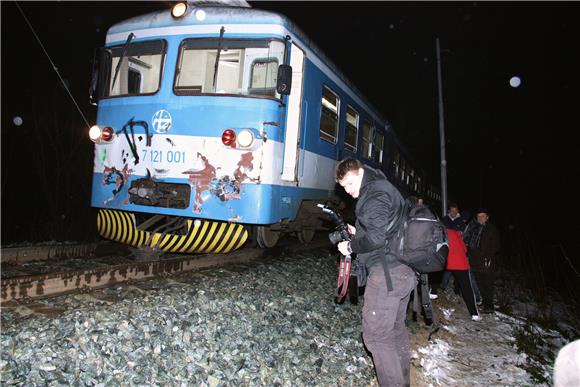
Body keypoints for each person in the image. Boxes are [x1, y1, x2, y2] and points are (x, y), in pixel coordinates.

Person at [335, 157, 415, 387]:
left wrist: (351, 245)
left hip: (387, 274)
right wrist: (357, 230)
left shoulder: (375, 194)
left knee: (376, 336)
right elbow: (383, 228)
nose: (348, 191)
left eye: (350, 183)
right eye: (343, 187)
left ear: (360, 173)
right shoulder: (383, 187)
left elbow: (377, 238)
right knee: (394, 331)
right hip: (402, 271)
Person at [463, 208, 500, 313]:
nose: (480, 218)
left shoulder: (491, 229)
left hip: (486, 262)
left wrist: (486, 256)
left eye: (483, 216)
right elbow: (469, 242)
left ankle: (489, 307)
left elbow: (496, 246)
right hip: (475, 261)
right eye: (478, 216)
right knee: (480, 284)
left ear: (487, 217)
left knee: (487, 285)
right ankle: (485, 303)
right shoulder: (475, 228)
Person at [445, 226, 481, 320]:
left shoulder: (439, 231)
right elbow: (464, 249)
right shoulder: (456, 233)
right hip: (459, 263)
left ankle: (432, 293)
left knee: (436, 276)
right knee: (467, 288)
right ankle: (474, 314)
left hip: (445, 261)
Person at [439, 202, 467, 293]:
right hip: (447, 248)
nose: (453, 213)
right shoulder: (444, 220)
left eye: (455, 211)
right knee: (448, 267)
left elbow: (464, 235)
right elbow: (440, 231)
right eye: (452, 211)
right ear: (449, 211)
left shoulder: (461, 221)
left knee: (458, 269)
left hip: (457, 249)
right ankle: (443, 285)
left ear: (457, 211)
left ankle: (457, 288)